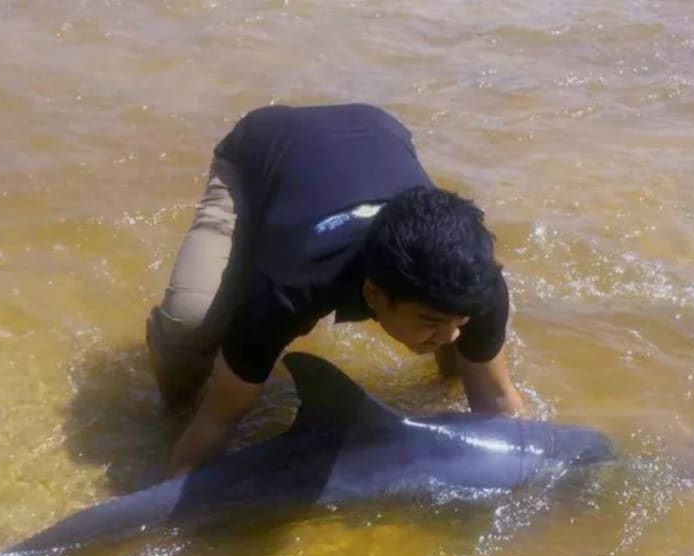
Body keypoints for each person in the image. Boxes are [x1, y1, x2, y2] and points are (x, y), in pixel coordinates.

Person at [146, 103, 524, 475]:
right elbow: (218, 422)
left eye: (461, 321)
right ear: (373, 294)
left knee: (462, 349)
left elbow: (498, 403)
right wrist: (172, 492)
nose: (452, 333)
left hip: (374, 132)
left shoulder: (478, 283)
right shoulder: (288, 290)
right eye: (431, 320)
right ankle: (171, 410)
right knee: (191, 322)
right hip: (262, 151)